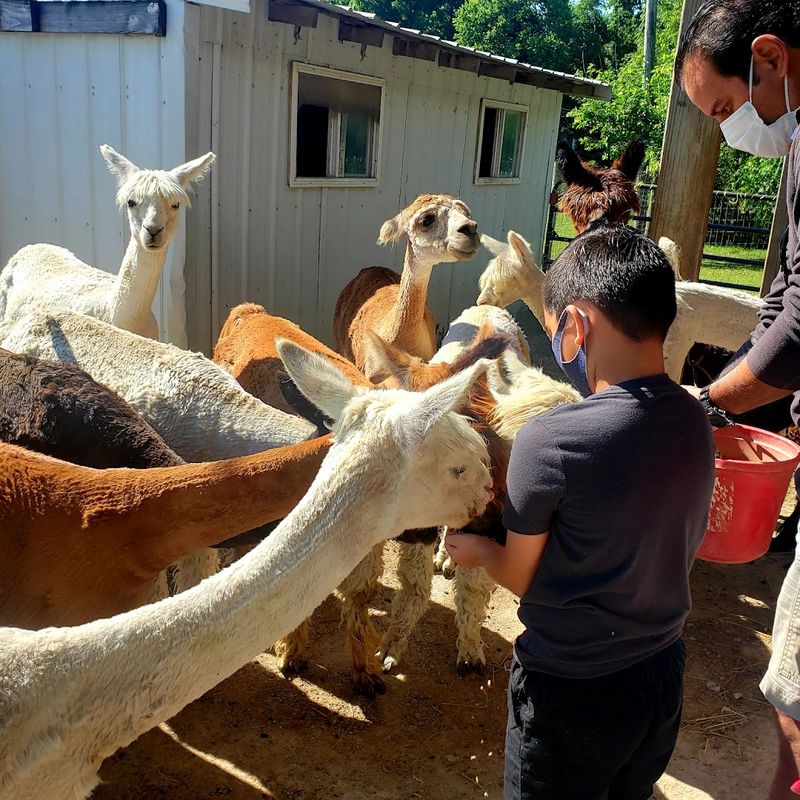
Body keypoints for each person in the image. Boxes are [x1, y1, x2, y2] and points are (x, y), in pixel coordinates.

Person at [445, 222, 716, 800]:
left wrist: (479, 550)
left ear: (575, 324)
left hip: (570, 690)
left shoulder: (548, 441)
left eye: (553, 330)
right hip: (661, 679)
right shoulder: (695, 421)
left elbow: (520, 574)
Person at [675, 2, 800, 796]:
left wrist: (707, 402)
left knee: (795, 680)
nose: (730, 130)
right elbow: (782, 295)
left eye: (725, 109)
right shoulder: (797, 147)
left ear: (768, 57)